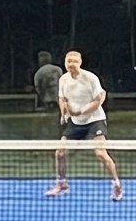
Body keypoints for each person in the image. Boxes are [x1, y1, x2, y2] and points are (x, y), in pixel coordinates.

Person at [45, 49, 123, 200]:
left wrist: (81, 111)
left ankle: (117, 185)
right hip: (75, 123)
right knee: (60, 153)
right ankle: (62, 184)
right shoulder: (63, 79)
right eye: (69, 61)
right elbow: (62, 98)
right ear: (65, 63)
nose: (71, 64)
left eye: (74, 61)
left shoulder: (90, 78)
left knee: (100, 153)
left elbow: (99, 99)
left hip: (95, 120)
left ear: (80, 63)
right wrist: (64, 113)